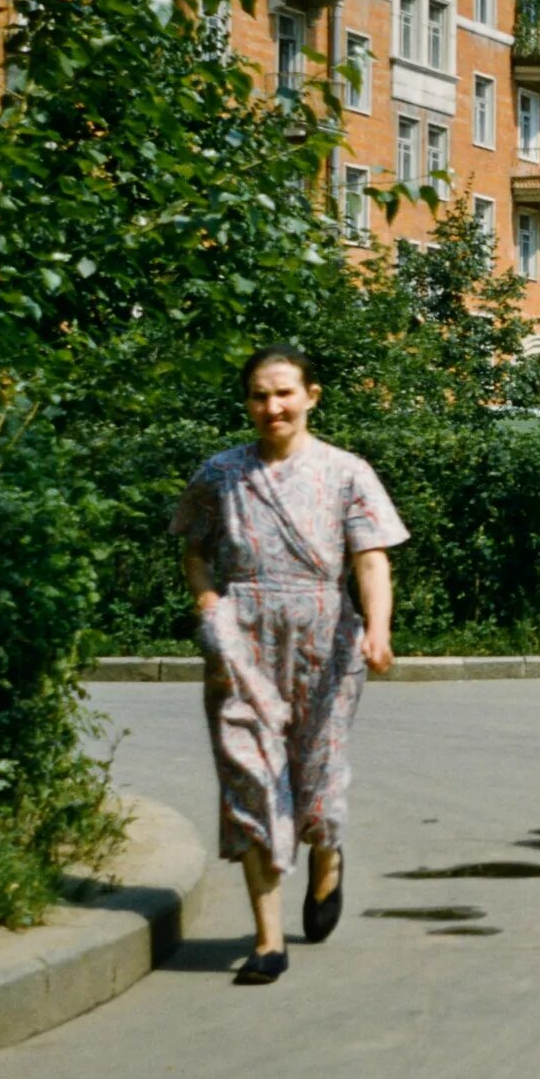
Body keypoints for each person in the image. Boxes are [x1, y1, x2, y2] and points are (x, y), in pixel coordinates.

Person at [175, 346, 408, 984]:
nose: (271, 407)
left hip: (324, 637)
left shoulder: (346, 472)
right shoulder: (221, 474)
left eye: (284, 393)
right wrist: (208, 602)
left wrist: (378, 629)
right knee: (250, 777)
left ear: (311, 396)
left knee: (317, 779)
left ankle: (326, 855)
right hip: (241, 638)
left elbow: (370, 559)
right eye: (258, 395)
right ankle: (268, 940)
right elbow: (194, 547)